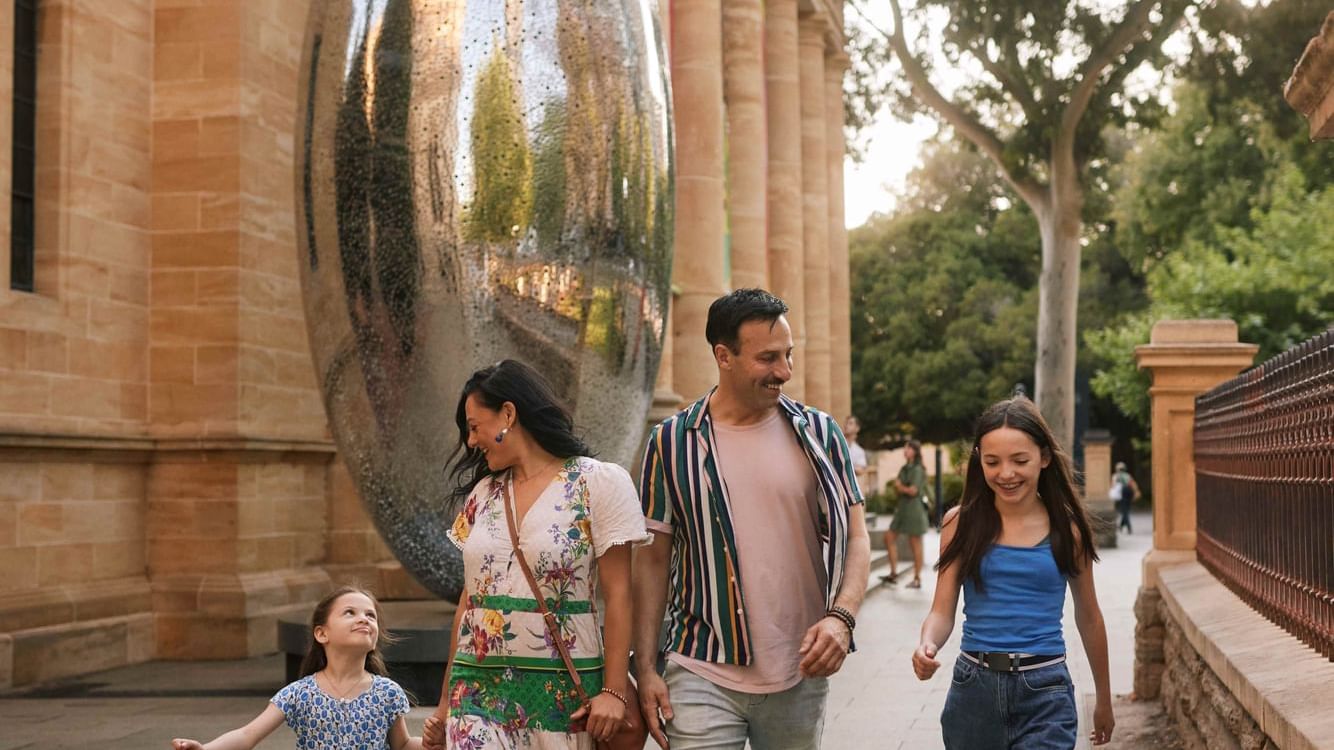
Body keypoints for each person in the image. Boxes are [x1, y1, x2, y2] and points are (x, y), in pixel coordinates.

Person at [632, 289, 872, 750]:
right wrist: (645, 669)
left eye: (788, 355)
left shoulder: (820, 434)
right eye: (767, 358)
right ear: (724, 356)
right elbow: (652, 561)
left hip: (799, 671)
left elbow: (857, 537)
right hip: (700, 667)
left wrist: (842, 618)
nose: (783, 371)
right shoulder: (670, 442)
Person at [421, 360, 651, 750]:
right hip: (475, 695)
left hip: (560, 694)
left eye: (475, 427)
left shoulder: (598, 483)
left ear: (508, 414)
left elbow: (619, 595)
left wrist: (614, 691)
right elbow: (468, 604)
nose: (471, 442)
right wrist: (444, 705)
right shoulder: (481, 496)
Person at [911, 397, 1114, 748]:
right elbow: (941, 611)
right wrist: (928, 644)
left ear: (1044, 458)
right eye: (993, 462)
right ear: (980, 461)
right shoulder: (959, 524)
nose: (1006, 473)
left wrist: (1104, 700)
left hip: (1046, 692)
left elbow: (1090, 616)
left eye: (1020, 460)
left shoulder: (1068, 530)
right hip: (973, 691)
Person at [170, 586, 423, 750]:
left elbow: (402, 745)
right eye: (350, 612)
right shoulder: (299, 693)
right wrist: (206, 749)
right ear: (322, 634)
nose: (363, 618)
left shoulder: (387, 692)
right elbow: (248, 735)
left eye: (371, 615)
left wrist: (442, 740)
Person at [881, 440, 930, 589]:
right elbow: (901, 488)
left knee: (915, 544)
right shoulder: (904, 468)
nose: (905, 450)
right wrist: (900, 488)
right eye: (905, 447)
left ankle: (917, 579)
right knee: (889, 537)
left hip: (914, 510)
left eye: (908, 448)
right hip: (902, 509)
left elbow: (913, 491)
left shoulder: (918, 469)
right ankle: (893, 573)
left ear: (915, 451)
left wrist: (900, 486)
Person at [844, 416, 871, 497]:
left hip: (852, 493)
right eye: (846, 423)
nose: (846, 425)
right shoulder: (837, 445)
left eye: (850, 423)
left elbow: (861, 470)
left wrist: (844, 464)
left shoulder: (859, 451)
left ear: (857, 428)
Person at [1112, 461, 1140, 534]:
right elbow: (1133, 484)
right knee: (1126, 510)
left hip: (1122, 493)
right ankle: (1121, 526)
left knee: (1125, 511)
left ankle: (1129, 527)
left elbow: (1114, 485)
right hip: (1129, 492)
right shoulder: (1128, 475)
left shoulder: (1116, 476)